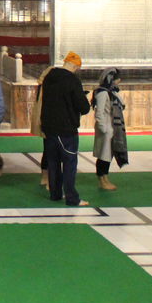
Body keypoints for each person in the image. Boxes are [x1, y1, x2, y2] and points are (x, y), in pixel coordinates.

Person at [41, 51, 91, 207]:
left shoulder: (49, 77)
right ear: (74, 66)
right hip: (66, 129)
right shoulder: (72, 80)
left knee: (53, 162)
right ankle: (72, 198)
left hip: (49, 127)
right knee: (69, 163)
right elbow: (83, 107)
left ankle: (55, 194)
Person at [91, 67, 128, 191]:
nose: (119, 81)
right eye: (117, 78)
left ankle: (105, 178)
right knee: (103, 156)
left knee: (109, 155)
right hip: (106, 128)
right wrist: (103, 128)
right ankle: (102, 180)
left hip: (113, 128)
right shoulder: (102, 93)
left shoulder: (112, 92)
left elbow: (122, 105)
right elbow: (99, 112)